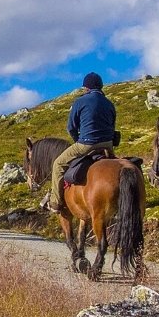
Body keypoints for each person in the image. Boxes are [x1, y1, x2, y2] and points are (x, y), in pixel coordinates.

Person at [48, 72, 117, 213]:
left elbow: (71, 127)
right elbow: (112, 126)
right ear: (101, 86)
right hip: (107, 145)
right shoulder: (109, 104)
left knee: (58, 164)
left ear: (86, 88)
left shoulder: (80, 102)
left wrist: (77, 141)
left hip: (87, 144)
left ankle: (56, 202)